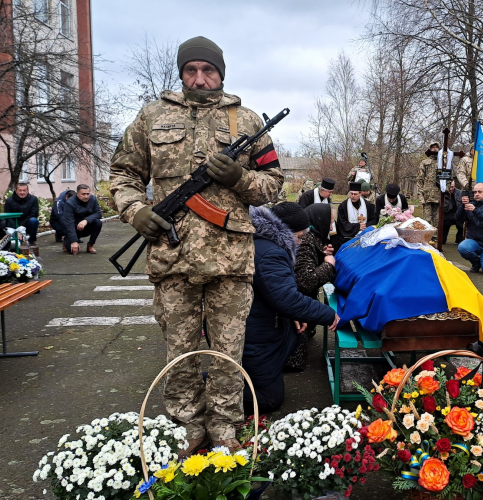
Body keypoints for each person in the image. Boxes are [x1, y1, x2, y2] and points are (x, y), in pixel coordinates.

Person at [109, 36, 284, 452]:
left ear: (221, 73)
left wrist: (238, 180)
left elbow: (274, 185)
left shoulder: (248, 120)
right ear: (181, 72)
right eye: (192, 70)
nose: (200, 78)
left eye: (209, 70)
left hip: (231, 260)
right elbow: (123, 173)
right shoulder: (151, 117)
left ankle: (225, 428)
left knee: (229, 353)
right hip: (173, 258)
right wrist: (137, 212)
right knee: (179, 353)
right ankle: (184, 429)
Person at [243, 203, 338, 414]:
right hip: (255, 333)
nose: (302, 241)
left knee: (272, 387)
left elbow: (273, 292)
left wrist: (291, 313)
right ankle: (208, 388)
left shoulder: (265, 243)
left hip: (259, 325)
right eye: (300, 236)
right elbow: (287, 298)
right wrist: (328, 314)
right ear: (285, 230)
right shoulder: (272, 254)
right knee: (269, 399)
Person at [286, 203, 336, 371]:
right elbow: (305, 280)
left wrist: (321, 254)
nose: (331, 227)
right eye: (330, 222)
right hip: (294, 311)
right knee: (295, 362)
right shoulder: (306, 241)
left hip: (298, 306)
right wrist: (328, 265)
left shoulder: (310, 237)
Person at [62, 184, 102, 255]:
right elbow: (69, 223)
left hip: (86, 226)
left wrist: (86, 220)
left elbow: (98, 213)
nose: (86, 196)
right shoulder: (70, 203)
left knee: (98, 222)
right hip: (74, 228)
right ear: (77, 194)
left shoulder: (93, 199)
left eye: (88, 194)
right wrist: (74, 241)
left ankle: (90, 245)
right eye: (83, 194)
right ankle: (66, 241)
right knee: (72, 251)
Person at [335, 182, 377, 246]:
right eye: (351, 194)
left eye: (355, 194)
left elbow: (374, 219)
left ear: (360, 194)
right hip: (348, 238)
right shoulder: (343, 206)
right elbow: (341, 223)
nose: (353, 196)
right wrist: (357, 227)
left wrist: (365, 225)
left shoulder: (368, 205)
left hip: (364, 237)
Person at [3, 182, 40, 251]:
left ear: (27, 191)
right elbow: (8, 217)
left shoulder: (33, 199)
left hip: (27, 224)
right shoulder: (9, 201)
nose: (22, 192)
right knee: (16, 245)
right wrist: (17, 230)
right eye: (20, 190)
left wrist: (21, 228)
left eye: (24, 190)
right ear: (16, 191)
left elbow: (33, 214)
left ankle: (31, 240)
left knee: (34, 220)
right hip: (14, 226)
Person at [416, 142, 442, 228]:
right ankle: (426, 236)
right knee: (426, 219)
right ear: (430, 149)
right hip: (427, 195)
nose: (435, 149)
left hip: (439, 196)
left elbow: (448, 178)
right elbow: (420, 179)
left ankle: (435, 237)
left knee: (437, 219)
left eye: (436, 147)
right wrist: (420, 195)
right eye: (433, 147)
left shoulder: (443, 163)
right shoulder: (425, 162)